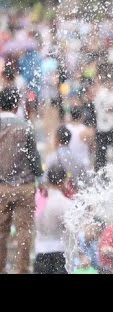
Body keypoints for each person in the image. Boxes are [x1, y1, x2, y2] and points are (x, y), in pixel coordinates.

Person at [0, 87, 44, 273]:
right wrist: (40, 181)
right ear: (17, 104)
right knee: (24, 232)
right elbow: (34, 158)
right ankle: (22, 269)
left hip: (1, 188)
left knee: (1, 233)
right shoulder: (25, 127)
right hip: (25, 187)